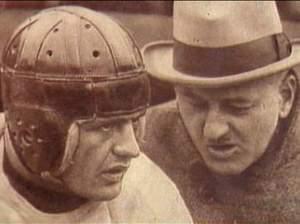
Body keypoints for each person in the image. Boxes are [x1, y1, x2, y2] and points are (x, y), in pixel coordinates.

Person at [0, 6, 192, 223]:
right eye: (105, 127)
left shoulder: (149, 201)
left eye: (134, 122)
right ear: (36, 133)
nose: (131, 149)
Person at [142, 1, 300, 224]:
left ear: (285, 96)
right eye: (196, 104)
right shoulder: (142, 143)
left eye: (237, 107)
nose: (213, 131)